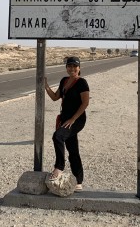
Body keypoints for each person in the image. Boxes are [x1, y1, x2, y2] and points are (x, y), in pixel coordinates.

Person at [44, 56, 90, 191]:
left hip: (77, 120)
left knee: (57, 136)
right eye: (69, 66)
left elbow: (85, 103)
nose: (72, 69)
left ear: (79, 68)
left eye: (75, 66)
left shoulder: (82, 82)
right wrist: (46, 86)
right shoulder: (64, 81)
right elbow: (55, 97)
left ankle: (59, 166)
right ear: (66, 68)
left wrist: (73, 119)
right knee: (73, 149)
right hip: (65, 119)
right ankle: (79, 181)